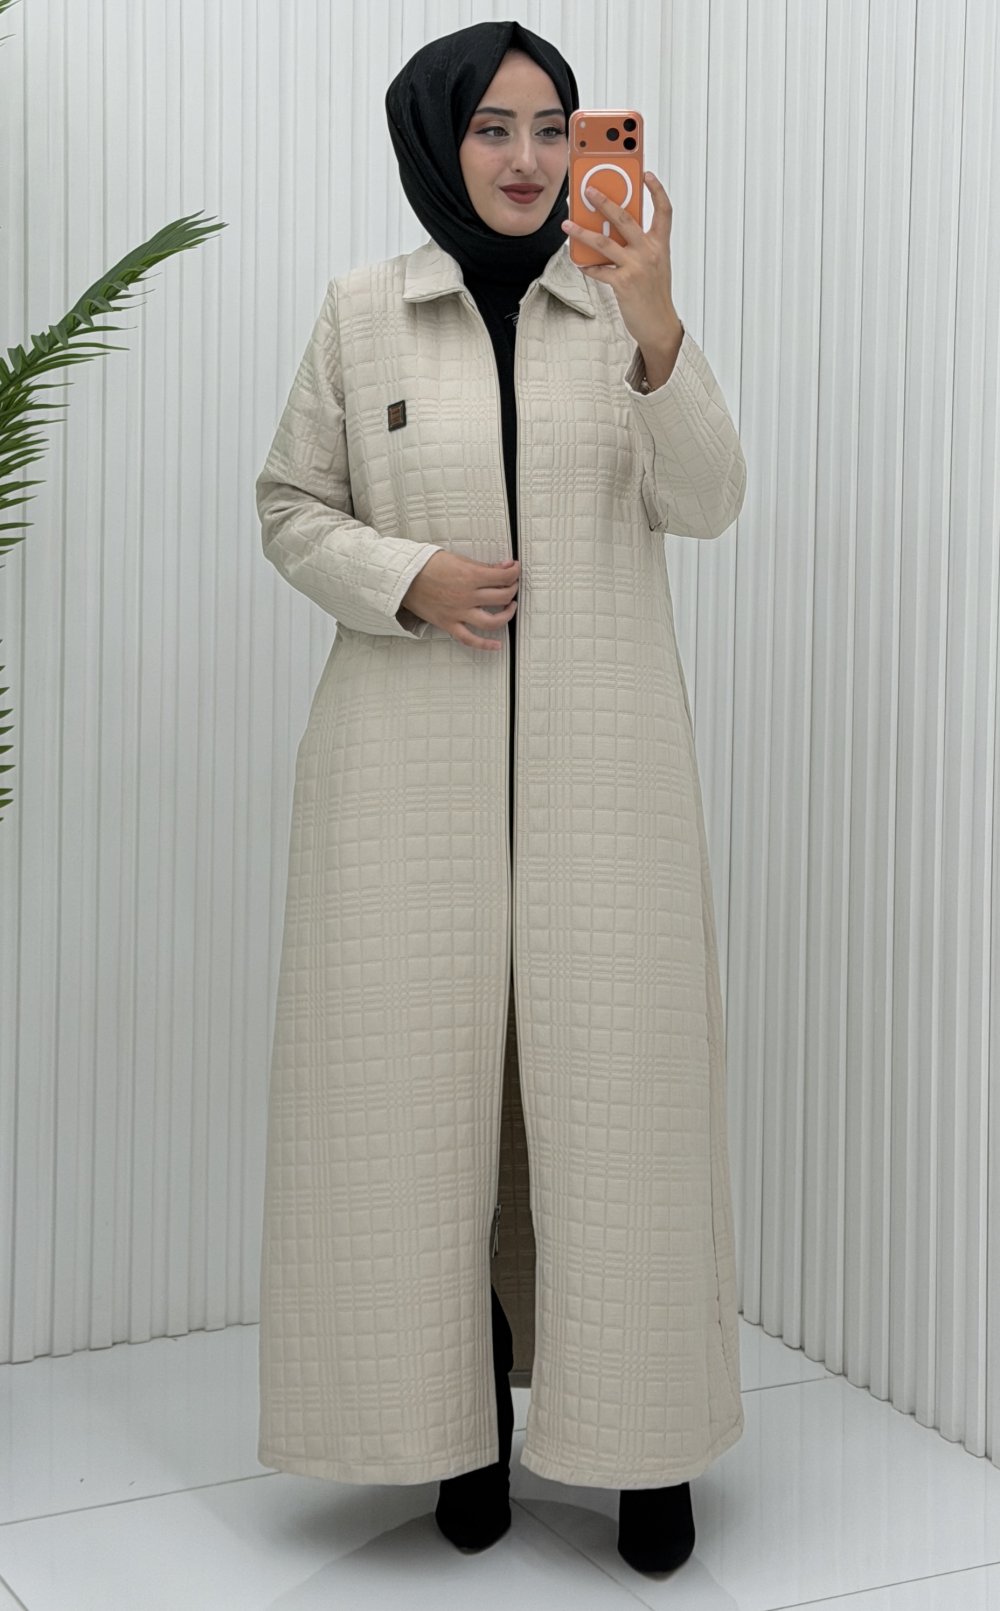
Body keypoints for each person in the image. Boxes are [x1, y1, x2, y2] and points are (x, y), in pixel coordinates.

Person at [254, 18, 747, 1578]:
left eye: (552, 126)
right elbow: (289, 507)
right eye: (493, 128)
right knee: (412, 1112)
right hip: (400, 777)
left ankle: (645, 1444)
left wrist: (656, 323)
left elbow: (710, 500)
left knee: (620, 1109)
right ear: (437, 139)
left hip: (608, 781)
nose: (529, 159)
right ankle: (450, 1430)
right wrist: (407, 576)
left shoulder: (620, 306)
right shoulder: (361, 313)